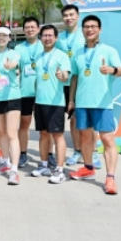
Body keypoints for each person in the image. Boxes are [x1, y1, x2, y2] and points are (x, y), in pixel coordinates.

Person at [69, 15, 121, 195]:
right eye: (86, 26)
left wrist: (111, 70)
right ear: (82, 30)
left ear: (100, 29)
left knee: (107, 139)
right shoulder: (78, 53)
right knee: (85, 138)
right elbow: (75, 77)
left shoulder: (109, 51)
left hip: (103, 103)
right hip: (82, 103)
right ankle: (88, 168)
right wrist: (71, 100)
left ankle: (110, 178)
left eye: (93, 26)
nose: (89, 29)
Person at [56, 4, 101, 168]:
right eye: (66, 15)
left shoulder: (85, 35)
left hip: (83, 83)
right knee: (72, 119)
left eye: (71, 15)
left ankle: (93, 153)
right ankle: (77, 151)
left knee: (88, 121)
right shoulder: (59, 38)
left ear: (77, 16)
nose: (68, 18)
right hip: (63, 83)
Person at [31, 25, 71, 184]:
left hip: (55, 103)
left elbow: (66, 75)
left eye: (50, 35)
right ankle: (44, 165)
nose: (47, 38)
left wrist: (62, 75)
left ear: (56, 38)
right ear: (40, 38)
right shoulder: (38, 57)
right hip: (40, 102)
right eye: (44, 36)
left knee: (58, 135)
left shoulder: (62, 56)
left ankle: (60, 170)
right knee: (43, 134)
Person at [0, 27, 22, 185]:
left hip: (11, 97)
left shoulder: (14, 54)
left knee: (11, 133)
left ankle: (14, 170)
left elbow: (14, 64)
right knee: (1, 133)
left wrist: (11, 66)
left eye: (4, 35)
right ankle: (5, 163)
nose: (1, 38)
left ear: (9, 38)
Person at [15, 17, 43, 168]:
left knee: (45, 128)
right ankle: (23, 153)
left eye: (33, 27)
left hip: (42, 93)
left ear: (38, 29)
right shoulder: (18, 48)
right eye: (27, 27)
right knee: (24, 124)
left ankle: (48, 155)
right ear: (23, 30)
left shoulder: (45, 45)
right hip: (24, 93)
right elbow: (15, 69)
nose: (30, 29)